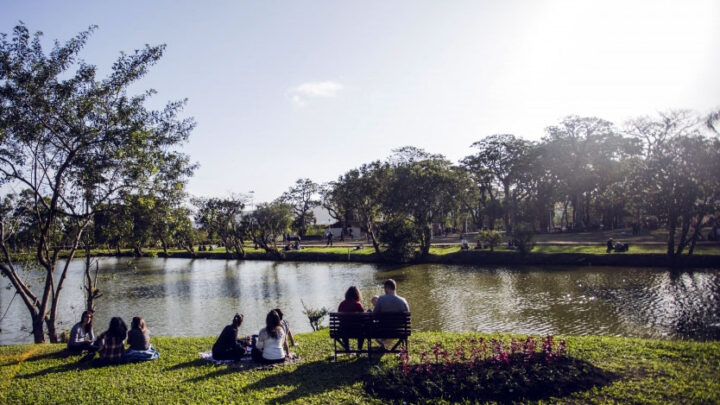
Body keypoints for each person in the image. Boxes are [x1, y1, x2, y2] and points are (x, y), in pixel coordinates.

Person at [374, 279, 409, 350]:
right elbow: (407, 317)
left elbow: (374, 315)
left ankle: (383, 342)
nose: (384, 290)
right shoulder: (403, 300)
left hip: (383, 330)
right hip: (399, 330)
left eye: (384, 288)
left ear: (387, 288)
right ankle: (386, 343)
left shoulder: (381, 299)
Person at [338, 286, 365, 351]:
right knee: (362, 329)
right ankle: (359, 349)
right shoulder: (358, 304)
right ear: (357, 294)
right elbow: (364, 317)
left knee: (344, 326)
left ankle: (347, 348)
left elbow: (339, 317)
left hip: (344, 331)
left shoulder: (342, 304)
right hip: (357, 330)